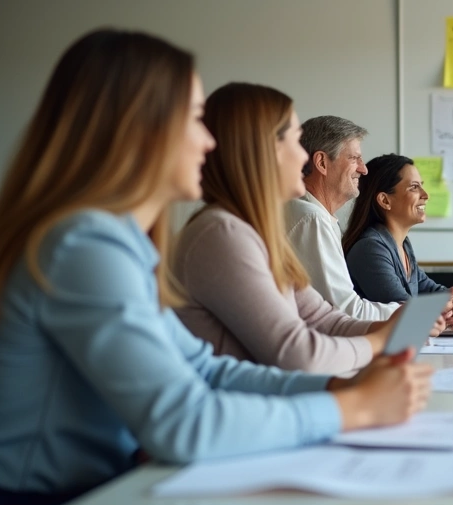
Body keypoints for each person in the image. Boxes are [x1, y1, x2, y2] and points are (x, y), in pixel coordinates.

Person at [0, 30, 432, 505]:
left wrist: (339, 385)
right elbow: (183, 422)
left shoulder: (119, 242)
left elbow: (205, 369)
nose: (208, 140)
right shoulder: (83, 245)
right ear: (140, 129)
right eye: (194, 119)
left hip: (99, 495)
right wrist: (349, 408)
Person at [172, 83, 433, 375]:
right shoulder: (223, 233)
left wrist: (397, 325)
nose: (303, 157)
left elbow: (326, 319)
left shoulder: (256, 231)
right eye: (296, 142)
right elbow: (296, 352)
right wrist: (381, 341)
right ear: (260, 152)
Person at [284, 116, 417, 324]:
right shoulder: (312, 219)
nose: (363, 169)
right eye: (354, 158)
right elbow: (345, 311)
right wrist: (414, 315)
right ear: (321, 163)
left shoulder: (312, 215)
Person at [342, 154, 453, 327]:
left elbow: (435, 293)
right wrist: (449, 313)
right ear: (385, 200)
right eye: (414, 187)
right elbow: (403, 309)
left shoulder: (402, 244)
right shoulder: (369, 248)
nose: (425, 195)